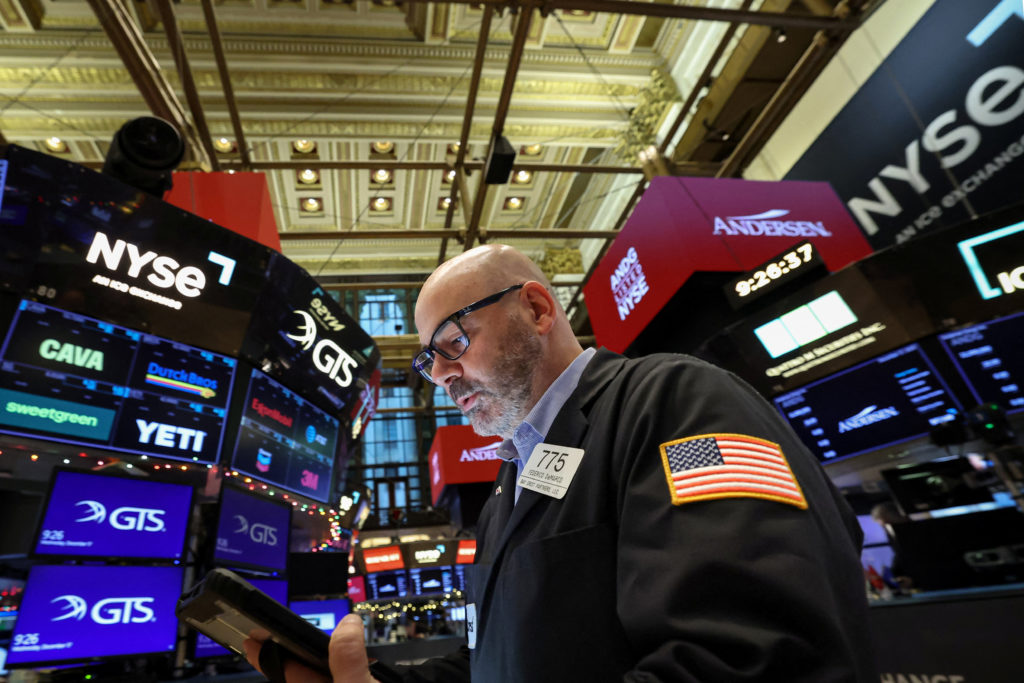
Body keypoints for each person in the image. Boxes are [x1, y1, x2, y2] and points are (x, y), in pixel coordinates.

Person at [245, 244, 874, 682]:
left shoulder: (674, 400)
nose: (440, 377)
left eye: (453, 344)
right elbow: (499, 662)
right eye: (428, 362)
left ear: (538, 310)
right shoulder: (510, 483)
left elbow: (756, 657)